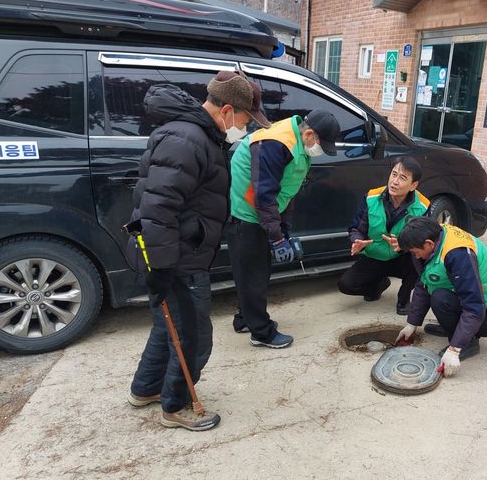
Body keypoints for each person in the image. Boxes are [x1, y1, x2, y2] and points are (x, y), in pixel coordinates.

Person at [126, 71, 270, 431]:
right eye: (243, 119)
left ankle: (146, 389)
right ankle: (175, 406)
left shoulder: (198, 134)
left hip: (176, 251)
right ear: (226, 110)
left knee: (168, 325)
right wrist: (160, 268)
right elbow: (157, 207)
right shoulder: (189, 139)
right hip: (176, 258)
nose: (244, 127)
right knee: (193, 337)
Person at [227, 109, 340, 348]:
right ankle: (261, 333)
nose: (320, 152)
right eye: (322, 145)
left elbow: (288, 191)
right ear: (309, 134)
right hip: (248, 214)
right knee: (254, 275)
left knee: (253, 272)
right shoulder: (275, 144)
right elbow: (264, 196)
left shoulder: (299, 144)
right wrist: (276, 239)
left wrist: (284, 231)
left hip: (262, 214)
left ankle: (244, 319)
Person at [394, 217, 487, 377]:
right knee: (437, 292)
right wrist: (412, 324)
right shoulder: (434, 234)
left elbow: (474, 307)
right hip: (470, 302)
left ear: (428, 244)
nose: (416, 256)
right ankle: (455, 329)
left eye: (415, 252)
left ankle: (469, 342)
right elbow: (425, 281)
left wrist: (454, 349)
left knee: (440, 297)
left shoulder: (458, 254)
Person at [337, 156, 429, 314]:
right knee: (346, 285)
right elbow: (355, 228)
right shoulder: (372, 197)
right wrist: (357, 240)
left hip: (402, 258)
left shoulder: (422, 206)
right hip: (375, 256)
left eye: (402, 178)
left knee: (418, 261)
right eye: (394, 174)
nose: (395, 181)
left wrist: (403, 246)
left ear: (413, 185)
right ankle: (377, 287)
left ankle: (403, 300)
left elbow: (423, 241)